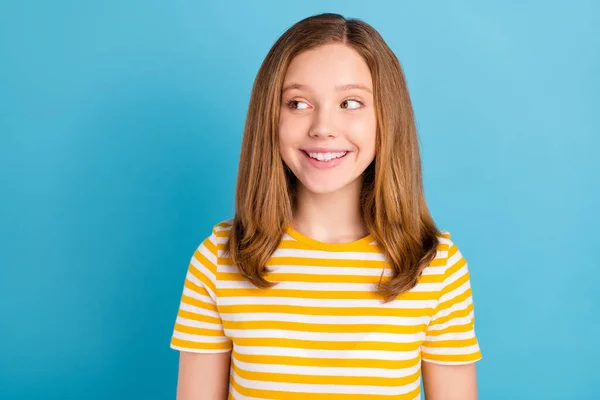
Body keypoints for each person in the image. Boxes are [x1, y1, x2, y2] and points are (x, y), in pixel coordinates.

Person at [170, 12, 482, 400]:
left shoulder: (436, 268)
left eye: (350, 102)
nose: (322, 127)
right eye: (298, 103)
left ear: (387, 118)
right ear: (271, 118)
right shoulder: (218, 261)